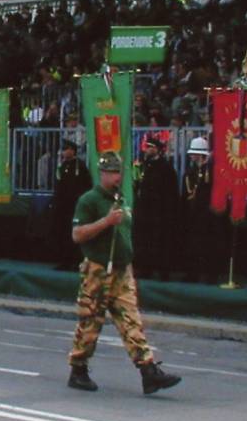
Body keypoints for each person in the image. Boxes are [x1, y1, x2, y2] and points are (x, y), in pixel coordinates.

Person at [66, 151, 181, 394]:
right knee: (91, 320)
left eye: (119, 172)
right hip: (98, 269)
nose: (117, 177)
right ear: (102, 174)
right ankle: (78, 368)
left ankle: (148, 370)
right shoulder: (90, 200)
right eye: (112, 172)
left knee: (131, 320)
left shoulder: (122, 199)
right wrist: (106, 222)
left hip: (121, 269)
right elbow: (77, 235)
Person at [133, 134, 178, 281]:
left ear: (158, 150)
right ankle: (145, 269)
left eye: (150, 147)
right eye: (147, 147)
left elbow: (170, 192)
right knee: (144, 241)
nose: (147, 150)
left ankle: (162, 272)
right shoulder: (144, 166)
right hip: (145, 210)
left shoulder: (166, 168)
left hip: (160, 211)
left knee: (160, 242)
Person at [181, 137, 223, 284]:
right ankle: (192, 273)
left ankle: (210, 275)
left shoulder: (212, 172)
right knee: (193, 245)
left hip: (208, 214)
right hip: (194, 213)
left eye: (194, 153)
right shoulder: (190, 172)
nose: (191, 156)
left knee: (209, 245)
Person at [51, 139, 91, 270]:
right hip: (62, 206)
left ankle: (76, 261)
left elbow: (86, 185)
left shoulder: (80, 166)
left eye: (66, 149)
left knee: (75, 234)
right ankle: (64, 260)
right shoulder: (62, 166)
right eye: (63, 149)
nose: (64, 152)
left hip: (75, 206)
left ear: (73, 151)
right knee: (63, 233)